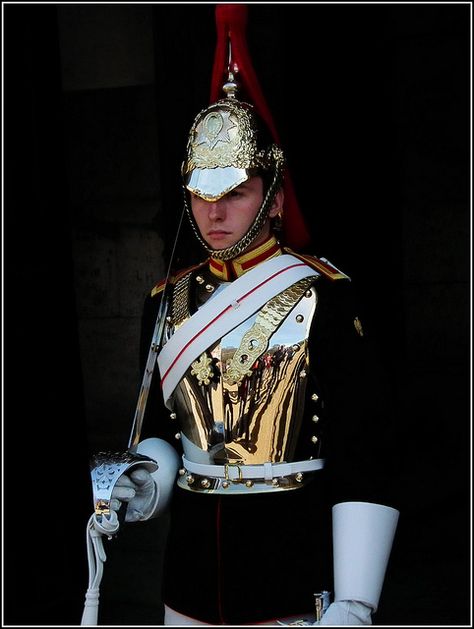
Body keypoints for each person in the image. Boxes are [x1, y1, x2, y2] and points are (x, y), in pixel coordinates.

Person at [88, 5, 400, 626]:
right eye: (202, 193)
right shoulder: (166, 299)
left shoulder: (324, 294)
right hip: (193, 569)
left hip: (289, 556)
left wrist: (357, 597)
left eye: (235, 191)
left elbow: (365, 449)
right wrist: (147, 480)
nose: (215, 211)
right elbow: (163, 426)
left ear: (274, 196)